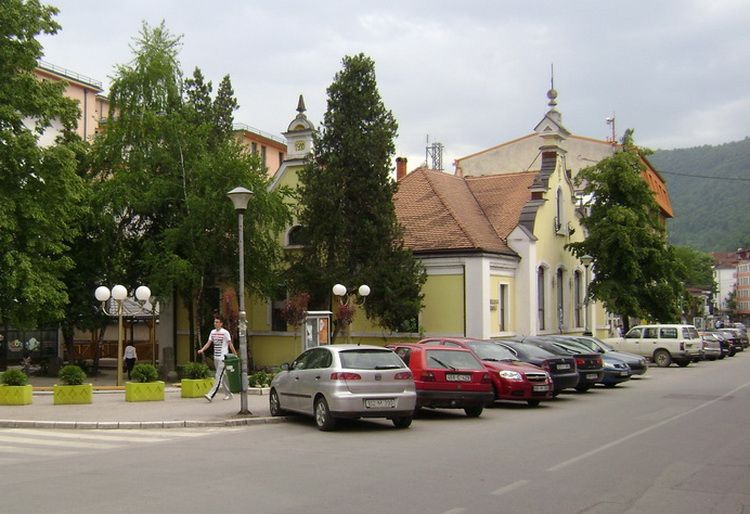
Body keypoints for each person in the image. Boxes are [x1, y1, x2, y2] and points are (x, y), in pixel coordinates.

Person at [197, 316, 237, 402]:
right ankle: (229, 394)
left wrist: (235, 354)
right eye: (215, 322)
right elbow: (208, 343)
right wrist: (202, 350)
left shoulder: (225, 332)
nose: (215, 323)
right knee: (224, 376)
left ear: (221, 324)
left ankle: (210, 395)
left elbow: (230, 344)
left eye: (217, 322)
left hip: (223, 358)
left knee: (218, 376)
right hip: (216, 357)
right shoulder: (212, 332)